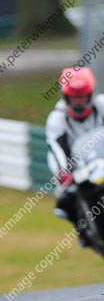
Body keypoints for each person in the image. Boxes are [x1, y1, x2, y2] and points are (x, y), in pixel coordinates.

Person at [45, 67, 104, 246]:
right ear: (66, 97)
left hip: (101, 159)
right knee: (64, 203)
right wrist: (65, 172)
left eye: (82, 97)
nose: (78, 103)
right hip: (75, 164)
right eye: (74, 98)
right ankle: (84, 233)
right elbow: (56, 147)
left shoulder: (101, 105)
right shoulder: (57, 119)